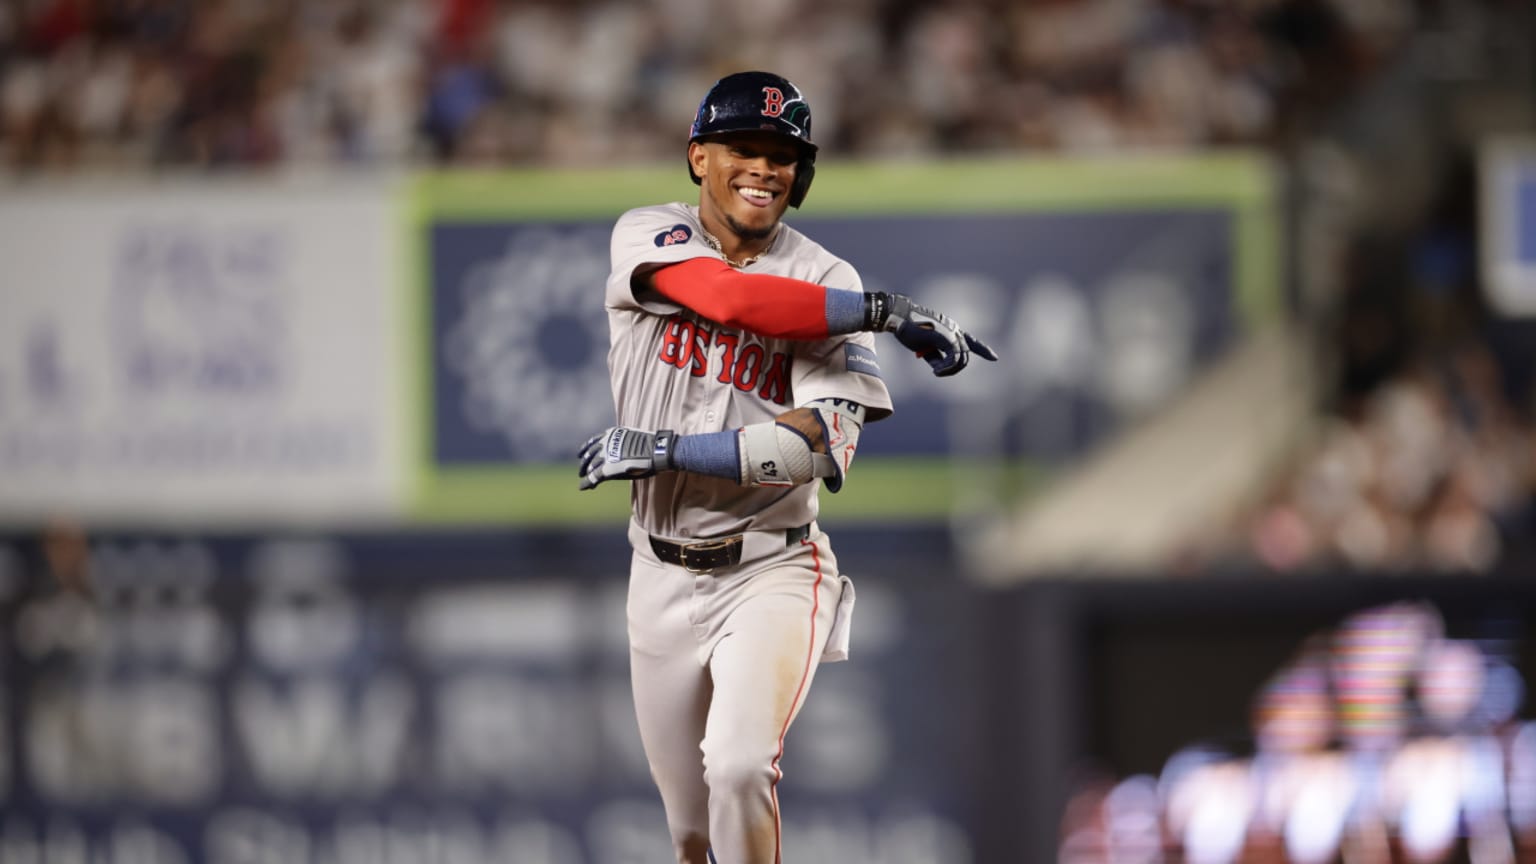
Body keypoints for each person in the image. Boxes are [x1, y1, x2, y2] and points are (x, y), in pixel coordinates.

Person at [576, 70, 996, 864]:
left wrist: (669, 449)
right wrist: (888, 311)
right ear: (699, 156)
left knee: (738, 767)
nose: (764, 168)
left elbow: (808, 450)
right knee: (692, 835)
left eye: (782, 154)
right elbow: (730, 301)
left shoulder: (825, 278)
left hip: (771, 568)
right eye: (745, 147)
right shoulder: (649, 232)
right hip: (658, 572)